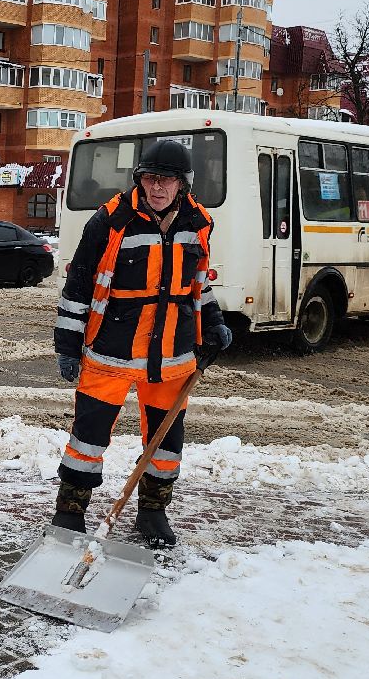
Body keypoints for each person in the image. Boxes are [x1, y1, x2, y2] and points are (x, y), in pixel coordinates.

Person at [51, 139, 233, 549]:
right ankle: (70, 511)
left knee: (166, 444)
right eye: (150, 178)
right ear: (139, 179)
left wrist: (214, 324)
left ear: (183, 184)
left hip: (172, 356)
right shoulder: (111, 220)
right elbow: (78, 285)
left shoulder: (198, 223)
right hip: (111, 352)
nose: (157, 187)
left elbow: (198, 286)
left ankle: (153, 511)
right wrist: (67, 345)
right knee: (87, 437)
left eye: (167, 180)